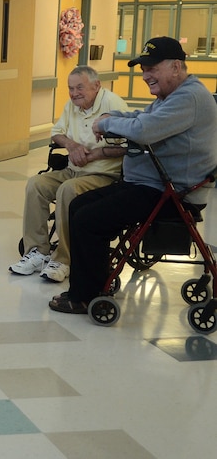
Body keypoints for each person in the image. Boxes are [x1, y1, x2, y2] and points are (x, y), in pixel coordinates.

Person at [50, 36, 217, 313]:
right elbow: (141, 117)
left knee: (89, 219)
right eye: (143, 69)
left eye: (152, 68)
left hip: (171, 193)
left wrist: (108, 121)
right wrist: (113, 118)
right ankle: (92, 282)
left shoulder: (189, 98)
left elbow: (144, 130)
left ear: (176, 66)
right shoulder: (171, 96)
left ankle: (84, 296)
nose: (145, 76)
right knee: (79, 205)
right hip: (149, 185)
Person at [10, 66, 128, 282]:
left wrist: (94, 156)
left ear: (97, 85)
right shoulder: (72, 106)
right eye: (70, 88)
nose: (74, 93)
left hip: (104, 175)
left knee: (68, 190)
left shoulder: (113, 104)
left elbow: (127, 146)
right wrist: (72, 145)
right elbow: (57, 133)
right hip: (73, 170)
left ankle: (64, 259)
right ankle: (36, 251)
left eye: (79, 87)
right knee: (36, 184)